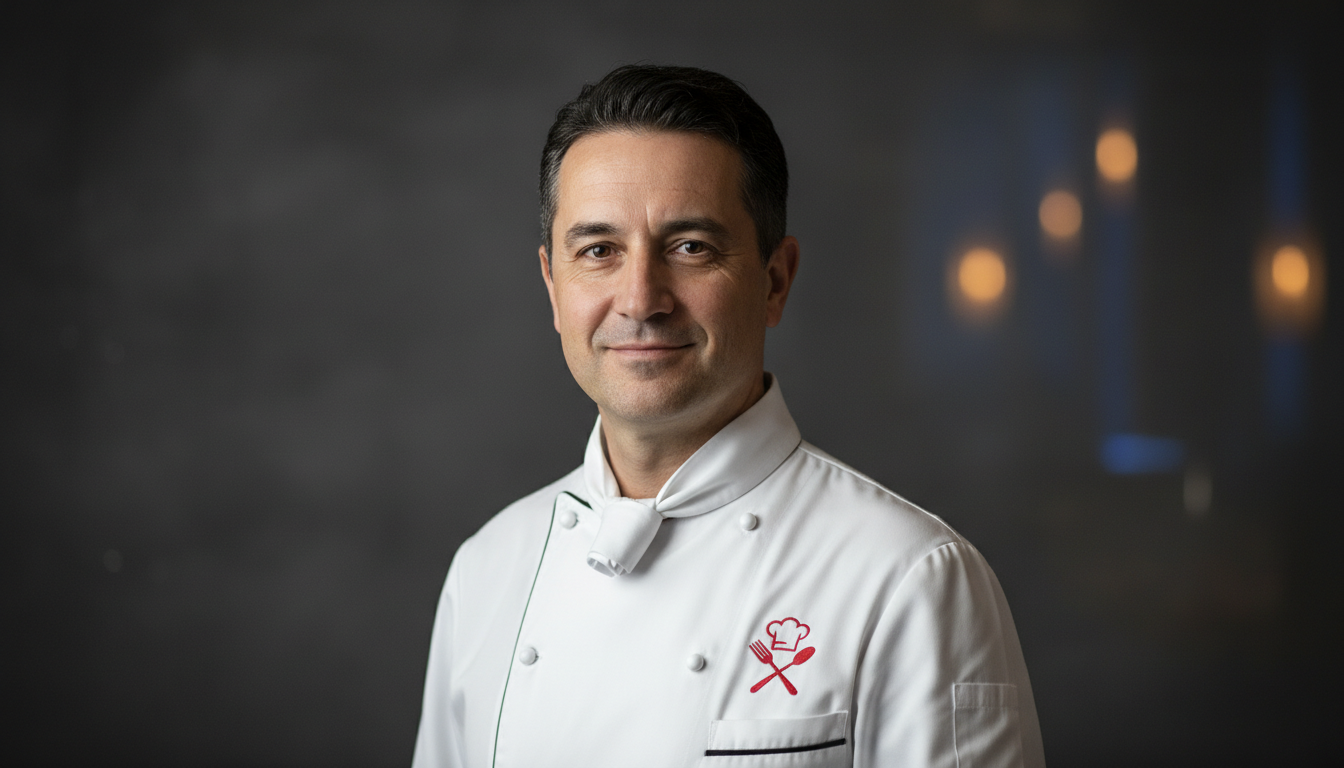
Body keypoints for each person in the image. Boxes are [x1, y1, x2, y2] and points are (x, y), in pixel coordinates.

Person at [412, 64, 1045, 768]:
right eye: (599, 251)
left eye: (691, 248)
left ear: (775, 281)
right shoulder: (487, 569)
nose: (641, 299)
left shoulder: (910, 577)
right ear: (553, 286)